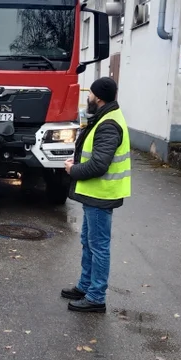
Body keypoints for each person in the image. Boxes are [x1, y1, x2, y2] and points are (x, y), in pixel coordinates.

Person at [61, 77, 130, 313]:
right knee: (88, 242)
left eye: (90, 94)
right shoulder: (103, 117)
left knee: (98, 246)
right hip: (95, 193)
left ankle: (96, 297)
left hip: (101, 194)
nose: (87, 97)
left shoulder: (109, 124)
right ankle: (85, 286)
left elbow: (100, 164)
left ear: (98, 97)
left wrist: (74, 169)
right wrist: (77, 161)